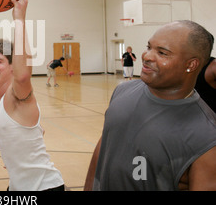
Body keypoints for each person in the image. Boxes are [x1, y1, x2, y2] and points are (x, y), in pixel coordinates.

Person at [85, 20, 216, 191]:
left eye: (162, 53)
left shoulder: (206, 134)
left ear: (191, 64)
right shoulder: (122, 91)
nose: (147, 56)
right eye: (149, 47)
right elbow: (104, 147)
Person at [0, 0, 64, 191]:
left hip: (43, 188)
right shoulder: (1, 101)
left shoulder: (15, 94)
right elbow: (35, 130)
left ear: (12, 66)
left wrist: (19, 19)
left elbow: (22, 77)